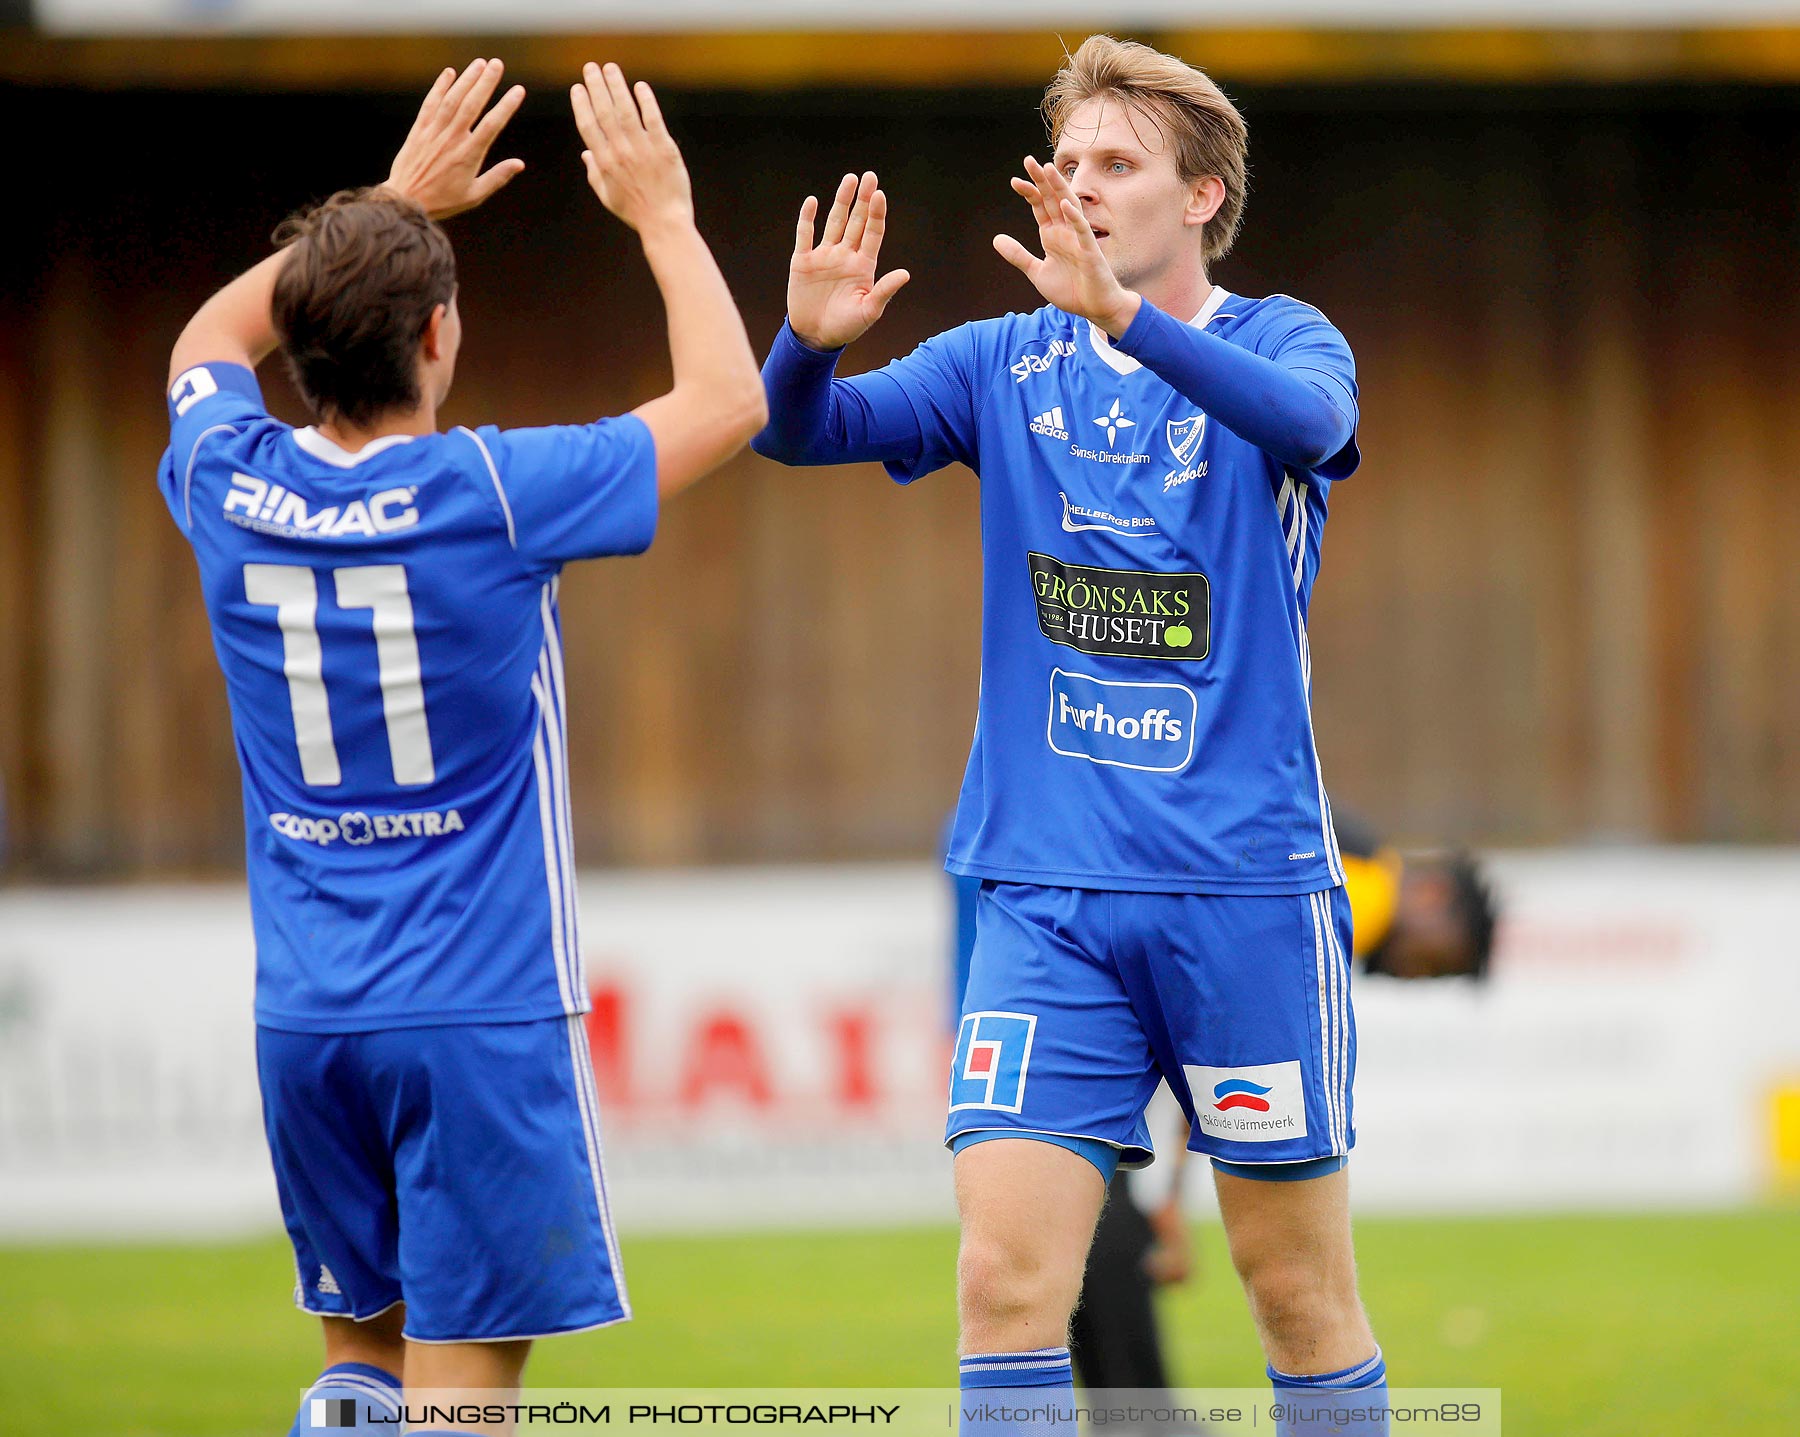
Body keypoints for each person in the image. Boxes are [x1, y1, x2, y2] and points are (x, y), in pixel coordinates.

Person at [756, 34, 1383, 1435]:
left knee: (1294, 1294)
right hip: (1045, 898)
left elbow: (1319, 426)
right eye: (1072, 162)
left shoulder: (1283, 339)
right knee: (1003, 1281)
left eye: (1120, 164)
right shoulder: (1000, 361)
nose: (1084, 188)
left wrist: (1131, 323)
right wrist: (805, 343)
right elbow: (804, 434)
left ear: (1202, 196)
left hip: (1244, 897)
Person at [158, 59, 764, 1435]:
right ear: (439, 338)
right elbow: (728, 402)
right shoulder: (490, 491)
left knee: (361, 1377)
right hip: (477, 1013)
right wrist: (664, 214)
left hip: (308, 1016)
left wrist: (383, 204)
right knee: (466, 1404)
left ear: (303, 343)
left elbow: (202, 338)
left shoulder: (225, 480)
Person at [1054, 818, 1500, 1400]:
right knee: (1119, 1219)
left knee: (1080, 1202)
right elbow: (1219, 1028)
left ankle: (1134, 1412)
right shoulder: (1358, 892)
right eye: (1437, 962)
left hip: (1071, 894)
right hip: (1108, 932)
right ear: (1433, 895)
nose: (1415, 974)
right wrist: (1165, 1196)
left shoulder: (1342, 851)